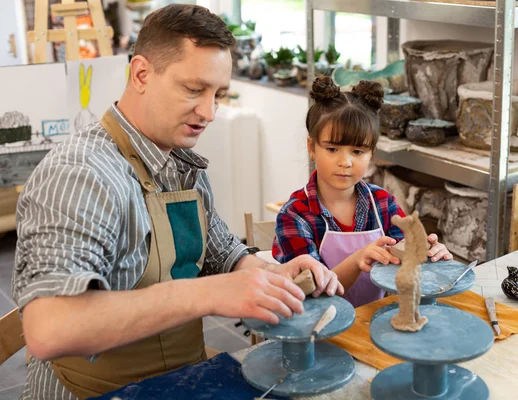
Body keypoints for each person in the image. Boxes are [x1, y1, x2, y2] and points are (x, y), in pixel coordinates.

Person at [12, 5, 342, 400]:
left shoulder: (178, 160)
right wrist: (212, 293)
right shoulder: (81, 174)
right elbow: (50, 329)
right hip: (96, 392)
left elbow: (221, 251)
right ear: (141, 75)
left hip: (180, 379)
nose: (209, 112)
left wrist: (272, 275)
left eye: (219, 94)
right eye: (193, 89)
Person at [272, 77, 451, 308]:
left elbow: (404, 264)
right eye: (332, 149)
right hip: (318, 332)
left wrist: (430, 256)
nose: (345, 162)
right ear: (312, 148)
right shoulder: (295, 215)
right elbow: (309, 297)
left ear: (371, 154)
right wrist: (357, 260)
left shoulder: (383, 204)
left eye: (357, 151)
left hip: (372, 323)